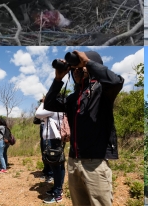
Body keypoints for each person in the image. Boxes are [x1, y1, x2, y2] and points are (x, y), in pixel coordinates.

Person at [44, 50, 124, 206]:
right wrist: (58, 78)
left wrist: (88, 62)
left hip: (95, 163)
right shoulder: (73, 98)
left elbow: (116, 82)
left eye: (79, 68)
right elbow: (49, 104)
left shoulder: (102, 91)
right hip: (74, 161)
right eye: (74, 70)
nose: (76, 72)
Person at [35, 102, 66, 203]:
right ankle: (57, 188)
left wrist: (44, 103)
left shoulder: (53, 107)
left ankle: (58, 193)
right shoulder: (55, 109)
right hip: (52, 139)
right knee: (57, 165)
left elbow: (37, 114)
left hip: (53, 140)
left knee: (57, 166)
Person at [34, 97, 54, 183]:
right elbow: (36, 119)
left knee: (49, 152)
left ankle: (51, 173)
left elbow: (39, 114)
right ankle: (46, 171)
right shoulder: (43, 108)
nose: (42, 101)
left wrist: (42, 104)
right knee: (44, 152)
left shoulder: (52, 107)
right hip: (43, 129)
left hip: (49, 131)